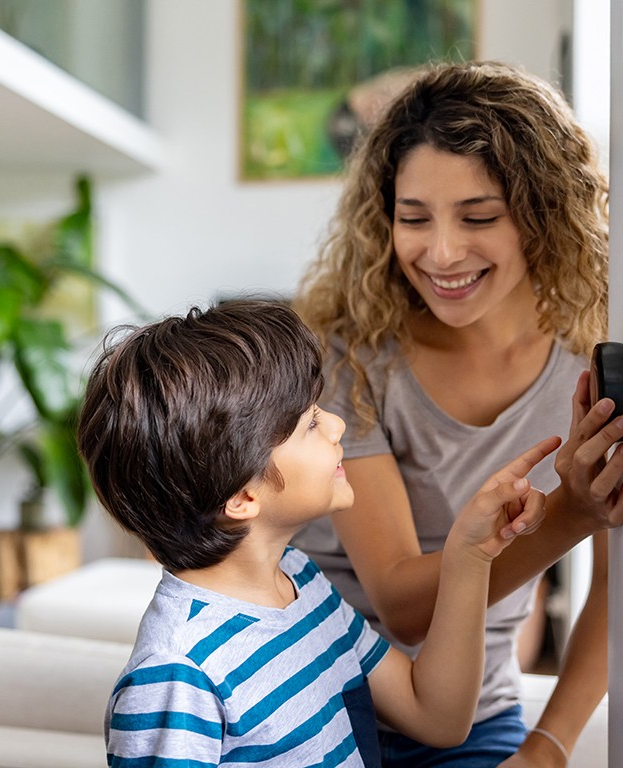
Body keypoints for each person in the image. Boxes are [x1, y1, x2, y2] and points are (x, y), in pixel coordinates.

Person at [292, 60, 623, 767]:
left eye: (479, 217)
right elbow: (405, 605)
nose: (442, 253)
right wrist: (571, 510)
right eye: (412, 218)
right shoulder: (350, 356)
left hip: (475, 715)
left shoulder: (595, 359)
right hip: (314, 706)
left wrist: (548, 747)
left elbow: (619, 584)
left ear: (544, 214)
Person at [76, 299, 562, 767]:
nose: (337, 424)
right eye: (309, 422)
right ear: (243, 496)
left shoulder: (299, 582)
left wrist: (469, 555)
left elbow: (436, 718)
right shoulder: (175, 676)